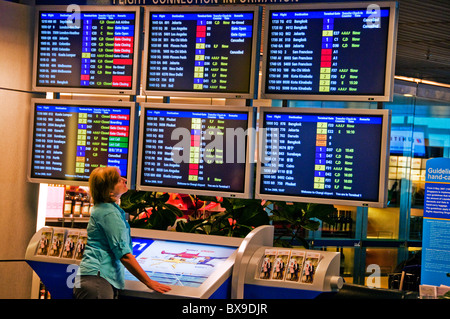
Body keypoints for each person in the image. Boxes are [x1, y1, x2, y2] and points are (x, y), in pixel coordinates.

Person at [73, 166, 171, 299]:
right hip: (98, 281)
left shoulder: (105, 209)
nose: (124, 179)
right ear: (109, 191)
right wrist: (149, 282)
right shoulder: (109, 213)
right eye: (118, 180)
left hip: (94, 278)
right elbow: (124, 255)